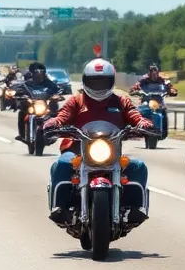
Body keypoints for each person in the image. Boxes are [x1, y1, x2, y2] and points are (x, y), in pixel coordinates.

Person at [43, 59, 154, 227]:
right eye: (94, 81)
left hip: (111, 150)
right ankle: (61, 207)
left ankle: (134, 208)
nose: (99, 85)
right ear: (86, 81)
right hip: (77, 149)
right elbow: (63, 115)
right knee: (62, 164)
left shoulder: (121, 101)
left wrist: (142, 123)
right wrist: (55, 123)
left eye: (103, 81)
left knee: (138, 166)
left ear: (111, 81)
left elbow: (134, 115)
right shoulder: (76, 101)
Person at [14, 62, 62, 141]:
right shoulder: (27, 84)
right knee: (22, 112)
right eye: (37, 72)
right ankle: (22, 134)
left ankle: (53, 132)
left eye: (42, 72)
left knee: (55, 113)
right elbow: (19, 90)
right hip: (32, 105)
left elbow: (58, 90)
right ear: (32, 73)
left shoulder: (50, 84)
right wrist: (21, 95)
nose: (39, 75)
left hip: (46, 105)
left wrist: (57, 96)